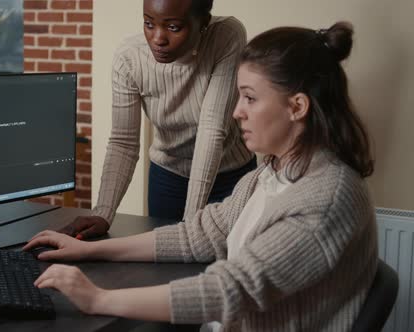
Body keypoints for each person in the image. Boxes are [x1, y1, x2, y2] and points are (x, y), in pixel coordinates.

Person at [25, 21, 378, 331]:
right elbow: (200, 234)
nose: (237, 112)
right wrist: (90, 251)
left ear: (297, 107)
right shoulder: (271, 173)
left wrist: (98, 299)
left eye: (250, 98)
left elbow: (230, 289)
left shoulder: (325, 198)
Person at [59, 0, 256, 240]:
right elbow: (124, 142)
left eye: (173, 27)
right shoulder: (129, 59)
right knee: (166, 266)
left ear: (203, 23)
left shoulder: (226, 36)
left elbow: (212, 128)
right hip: (168, 176)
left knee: (226, 262)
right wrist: (103, 213)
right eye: (149, 24)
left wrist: (190, 226)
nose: (158, 38)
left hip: (230, 178)